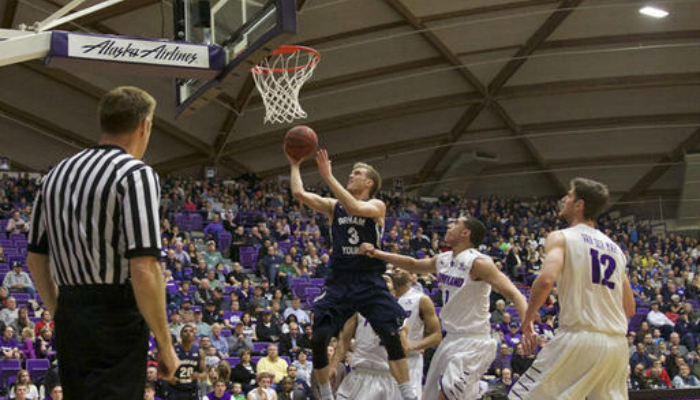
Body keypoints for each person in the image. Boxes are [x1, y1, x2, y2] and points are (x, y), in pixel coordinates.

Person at [26, 86, 178, 399]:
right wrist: (165, 345)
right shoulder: (136, 174)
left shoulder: (54, 175)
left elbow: (35, 259)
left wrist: (60, 312)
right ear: (143, 126)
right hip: (116, 314)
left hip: (71, 309)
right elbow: (144, 266)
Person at [287, 150, 417, 400]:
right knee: (319, 338)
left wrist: (327, 176)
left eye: (357, 173)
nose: (351, 175)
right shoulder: (334, 207)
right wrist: (295, 164)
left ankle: (408, 395)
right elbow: (299, 194)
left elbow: (354, 206)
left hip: (370, 280)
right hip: (340, 280)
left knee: (391, 336)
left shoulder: (376, 205)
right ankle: (326, 395)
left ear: (369, 183)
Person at [362, 216, 527, 400]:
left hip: (473, 342)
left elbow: (514, 293)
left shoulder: (479, 263)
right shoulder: (444, 259)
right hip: (451, 340)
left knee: (446, 396)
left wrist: (527, 328)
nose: (449, 226)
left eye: (455, 224)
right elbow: (413, 264)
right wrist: (378, 254)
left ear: (465, 233)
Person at [507, 178, 636, 400]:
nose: (564, 199)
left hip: (579, 336)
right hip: (616, 344)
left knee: (523, 396)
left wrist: (527, 319)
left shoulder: (562, 237)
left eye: (569, 195)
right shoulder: (616, 250)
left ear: (579, 205)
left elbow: (546, 279)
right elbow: (630, 308)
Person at [391, 268, 442, 399]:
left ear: (411, 275)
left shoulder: (421, 300)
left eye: (403, 266)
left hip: (410, 361)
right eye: (395, 266)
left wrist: (412, 346)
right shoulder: (382, 300)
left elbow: (436, 335)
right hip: (382, 362)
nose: (398, 269)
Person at [168, 325, 204, 400]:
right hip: (175, 390)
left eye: (191, 331)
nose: (188, 333)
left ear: (194, 335)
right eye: (185, 331)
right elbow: (164, 370)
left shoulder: (200, 352)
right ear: (181, 335)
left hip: (191, 390)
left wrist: (199, 376)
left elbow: (204, 374)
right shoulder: (173, 351)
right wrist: (170, 377)